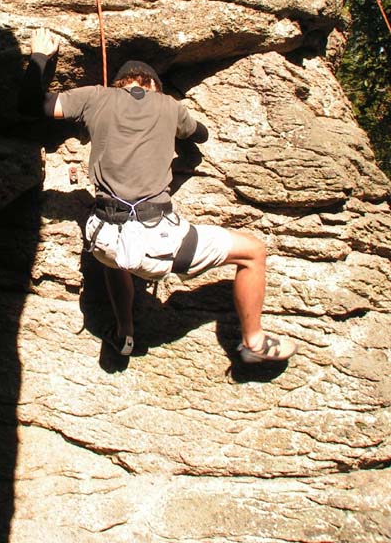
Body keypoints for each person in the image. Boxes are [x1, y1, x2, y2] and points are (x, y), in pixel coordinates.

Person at [20, 28, 297, 364]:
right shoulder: (169, 106)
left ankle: (125, 334)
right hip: (162, 241)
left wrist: (39, 54)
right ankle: (253, 342)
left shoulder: (95, 96)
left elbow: (30, 104)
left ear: (122, 83)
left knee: (115, 261)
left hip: (105, 240)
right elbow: (202, 135)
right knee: (253, 251)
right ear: (152, 84)